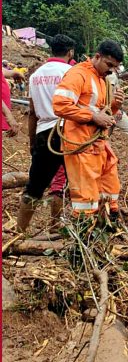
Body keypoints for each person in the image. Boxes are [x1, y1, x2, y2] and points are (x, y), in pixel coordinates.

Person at [52, 40, 125, 219]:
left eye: (115, 67)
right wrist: (93, 117)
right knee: (86, 195)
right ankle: (85, 235)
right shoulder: (78, 74)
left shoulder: (102, 80)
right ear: (97, 57)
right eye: (109, 65)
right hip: (81, 143)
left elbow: (104, 110)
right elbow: (60, 105)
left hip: (98, 144)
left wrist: (114, 104)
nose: (111, 70)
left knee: (109, 185)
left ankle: (108, 222)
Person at [15, 35, 75, 232]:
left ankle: (20, 232)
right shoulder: (72, 72)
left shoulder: (36, 75)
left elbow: (32, 112)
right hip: (68, 131)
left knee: (35, 186)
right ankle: (57, 226)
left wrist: (32, 141)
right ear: (70, 52)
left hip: (43, 133)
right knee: (69, 182)